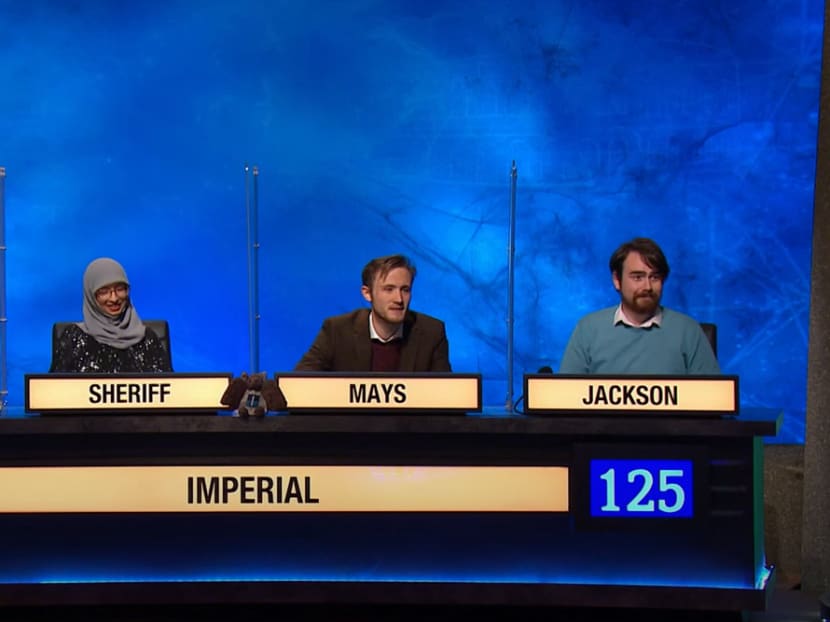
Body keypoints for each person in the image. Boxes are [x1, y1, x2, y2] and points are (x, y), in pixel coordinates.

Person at [558, 237, 720, 375]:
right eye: (637, 277)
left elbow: (712, 400)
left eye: (655, 277)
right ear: (617, 280)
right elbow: (566, 397)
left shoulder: (687, 330)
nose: (647, 286)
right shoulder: (588, 328)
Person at [295, 254, 451, 372]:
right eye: (388, 289)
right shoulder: (337, 330)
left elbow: (448, 398)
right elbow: (300, 382)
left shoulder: (432, 333)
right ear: (367, 293)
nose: (399, 299)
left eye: (405, 290)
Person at [50, 257, 172, 373]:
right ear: (90, 295)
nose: (114, 298)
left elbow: (172, 389)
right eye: (104, 292)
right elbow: (52, 390)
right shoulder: (74, 338)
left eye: (120, 289)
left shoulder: (148, 338)